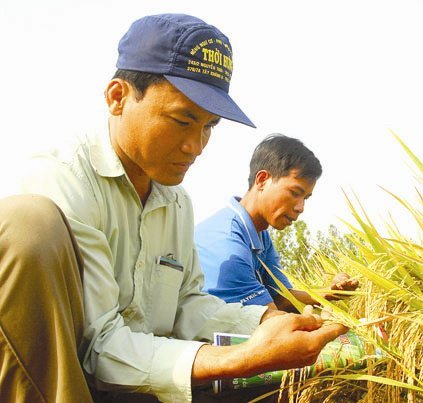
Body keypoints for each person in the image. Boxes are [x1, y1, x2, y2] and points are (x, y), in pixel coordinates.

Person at [5, 13, 346, 403]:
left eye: (209, 127)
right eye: (182, 121)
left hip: (144, 379)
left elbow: (187, 303)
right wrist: (238, 358)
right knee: (28, 223)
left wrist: (270, 321)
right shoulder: (63, 179)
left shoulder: (175, 201)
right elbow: (99, 345)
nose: (196, 146)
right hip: (71, 383)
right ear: (118, 98)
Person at [194, 134, 359, 312]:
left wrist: (331, 293)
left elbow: (282, 297)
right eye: (295, 193)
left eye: (306, 198)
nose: (301, 207)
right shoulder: (228, 244)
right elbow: (271, 319)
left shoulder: (259, 234)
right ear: (262, 180)